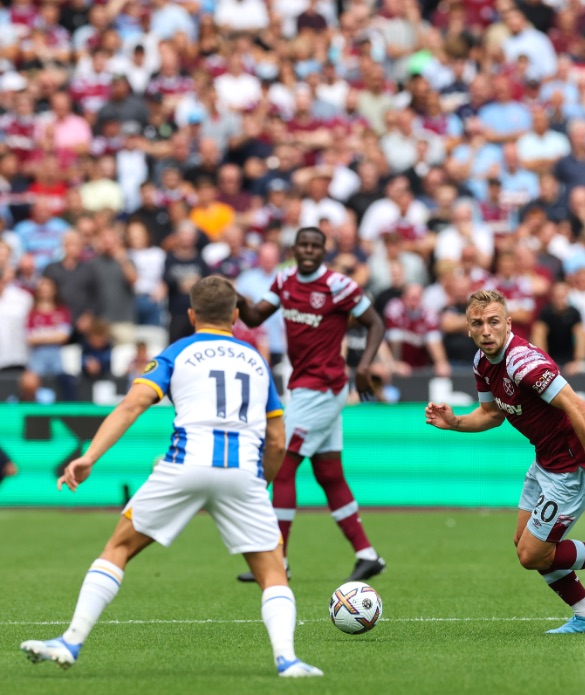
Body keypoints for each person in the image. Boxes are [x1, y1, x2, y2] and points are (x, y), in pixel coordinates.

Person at [20, 276, 322, 677]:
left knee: (118, 549)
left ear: (192, 315)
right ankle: (288, 660)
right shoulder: (256, 360)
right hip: (242, 474)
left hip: (184, 465)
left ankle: (71, 640)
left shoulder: (177, 353)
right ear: (235, 316)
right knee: (272, 570)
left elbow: (131, 406)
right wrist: (261, 483)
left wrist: (89, 456)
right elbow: (278, 442)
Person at [425, 289, 585, 634]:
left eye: (493, 322)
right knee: (524, 543)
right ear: (468, 329)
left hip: (572, 468)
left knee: (532, 554)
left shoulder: (523, 363)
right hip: (545, 461)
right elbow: (492, 414)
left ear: (508, 323)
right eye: (477, 323)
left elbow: (578, 407)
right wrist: (454, 423)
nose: (486, 330)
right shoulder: (482, 363)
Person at [235, 227, 387, 583]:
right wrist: (235, 297)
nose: (308, 251)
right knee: (329, 473)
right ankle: (368, 555)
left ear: (323, 251)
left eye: (315, 246)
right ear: (294, 248)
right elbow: (255, 317)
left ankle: (277, 562)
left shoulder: (338, 285)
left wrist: (363, 366)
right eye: (302, 245)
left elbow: (375, 322)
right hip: (303, 386)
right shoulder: (284, 280)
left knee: (283, 466)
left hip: (324, 387)